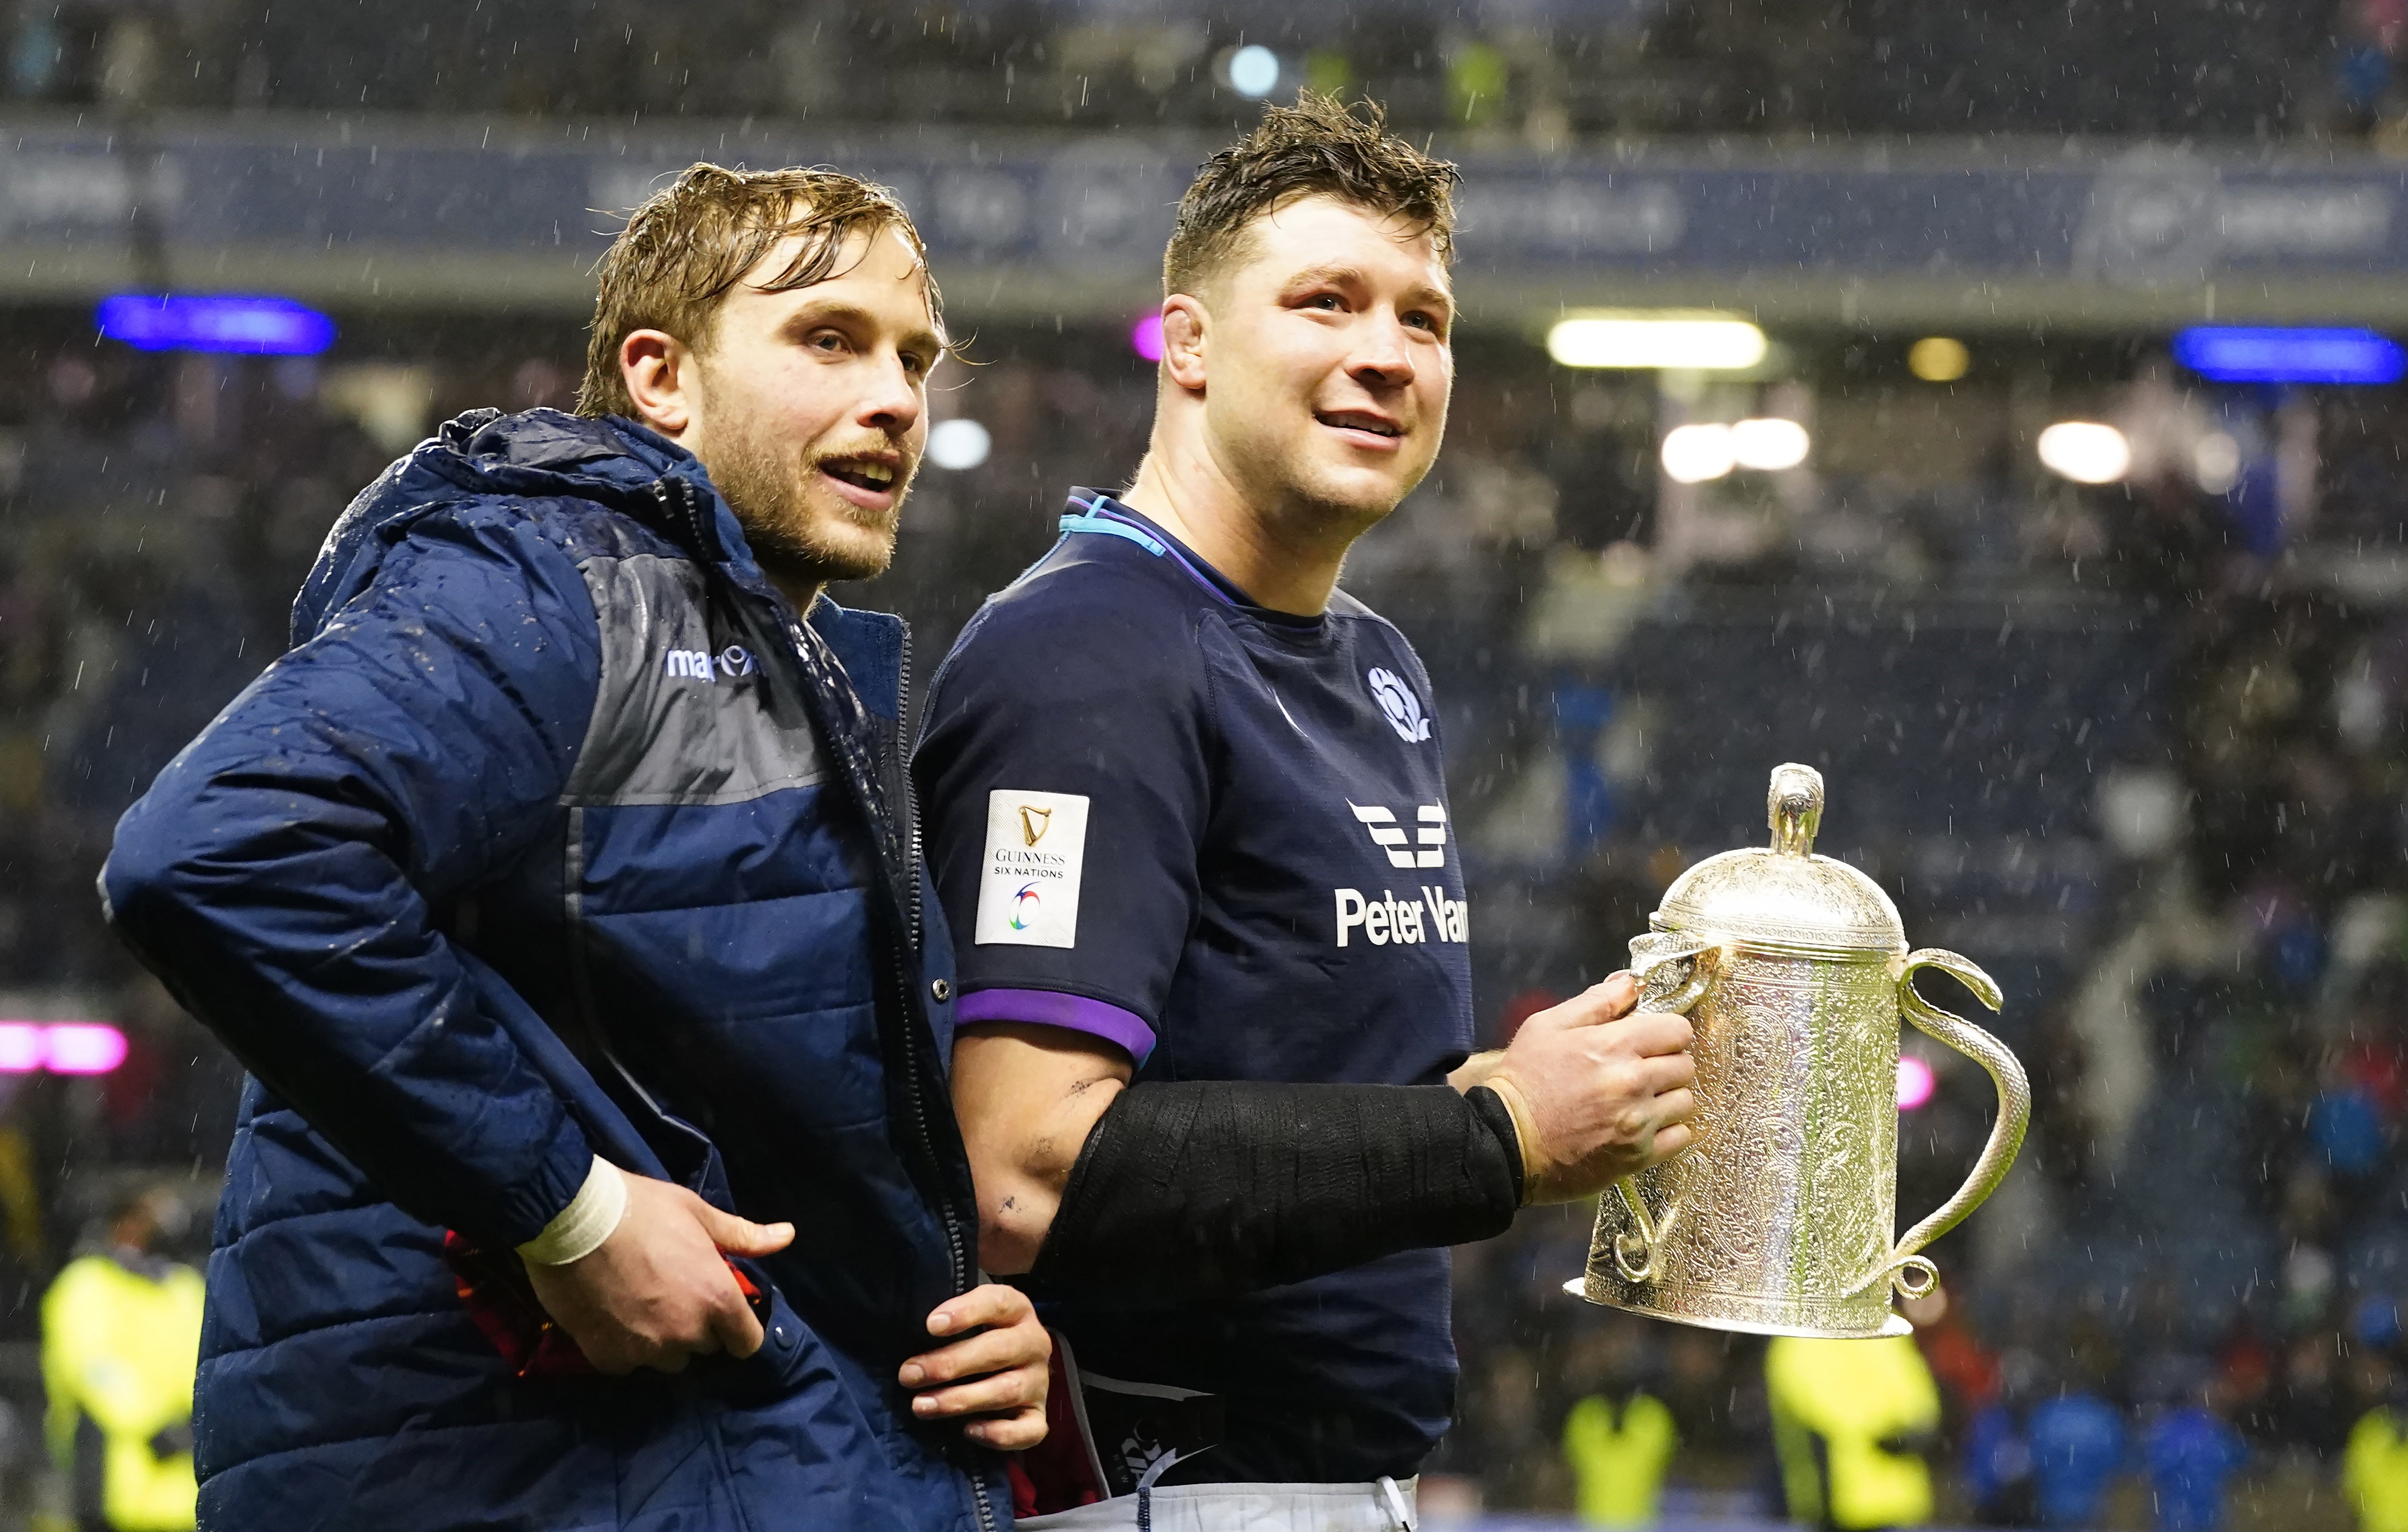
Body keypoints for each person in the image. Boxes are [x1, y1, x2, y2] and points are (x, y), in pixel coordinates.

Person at [99, 164, 1048, 1530]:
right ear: (659, 376)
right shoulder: (557, 573)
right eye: (826, 339)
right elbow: (220, 845)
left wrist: (952, 1330)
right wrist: (569, 1210)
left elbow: (762, 1129)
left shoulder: (799, 670)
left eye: (913, 357)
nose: (897, 395)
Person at [914, 92, 1699, 1527]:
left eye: (1423, 316)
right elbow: (1020, 1164)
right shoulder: (1087, 654)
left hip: (1336, 1484)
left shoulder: (1374, 663)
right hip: (1163, 1483)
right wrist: (1495, 1137)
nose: (1384, 355)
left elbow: (1301, 1084)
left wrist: (1516, 1088)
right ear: (1191, 344)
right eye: (1324, 301)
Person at [41, 1186, 203, 1532]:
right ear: (118, 1225)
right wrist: (155, 1425)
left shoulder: (185, 1287)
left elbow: (206, 1363)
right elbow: (93, 1369)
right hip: (112, 1489)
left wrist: (196, 1422)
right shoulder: (88, 1284)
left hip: (185, 1497)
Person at [1764, 1334, 1941, 1532]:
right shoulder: (1801, 1338)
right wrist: (1889, 1430)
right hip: (1836, 1503)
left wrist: (1909, 1430)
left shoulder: (1883, 1327)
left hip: (1895, 1504)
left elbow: (1918, 1400)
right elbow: (1817, 1409)